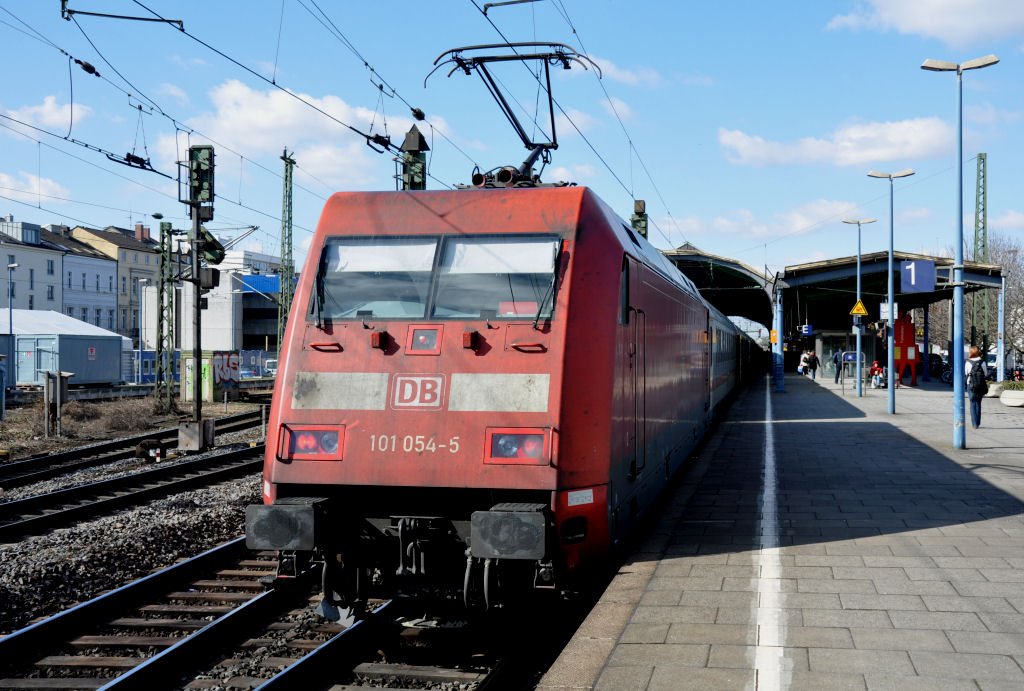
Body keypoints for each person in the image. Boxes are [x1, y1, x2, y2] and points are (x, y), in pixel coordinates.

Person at [965, 345, 989, 429]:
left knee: (972, 403)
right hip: (980, 385)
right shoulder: (982, 362)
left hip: (970, 385)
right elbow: (985, 374)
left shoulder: (968, 362)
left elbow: (966, 373)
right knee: (978, 403)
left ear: (971, 352)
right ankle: (978, 423)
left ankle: (974, 424)